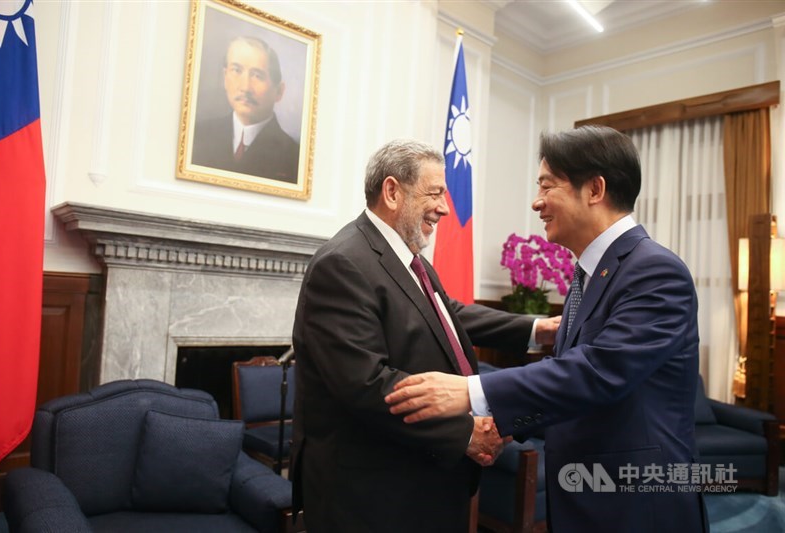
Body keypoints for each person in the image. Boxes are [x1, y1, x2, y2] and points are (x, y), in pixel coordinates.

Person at [386, 126, 708, 533]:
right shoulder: (587, 274)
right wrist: (504, 423)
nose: (537, 202)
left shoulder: (654, 271)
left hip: (636, 503)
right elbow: (571, 385)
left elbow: (597, 371)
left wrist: (470, 392)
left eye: (547, 186)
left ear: (595, 189)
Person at [290, 139, 560, 533]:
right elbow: (365, 384)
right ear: (393, 191)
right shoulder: (343, 263)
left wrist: (536, 328)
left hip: (419, 474)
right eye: (435, 194)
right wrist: (465, 432)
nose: (445, 208)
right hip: (370, 491)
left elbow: (449, 316)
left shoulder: (409, 258)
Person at [191, 36, 300, 183]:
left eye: (257, 76)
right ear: (225, 77)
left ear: (279, 91)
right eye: (236, 70)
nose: (245, 87)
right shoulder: (198, 135)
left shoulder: (294, 156)